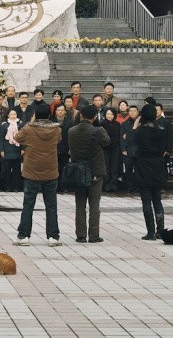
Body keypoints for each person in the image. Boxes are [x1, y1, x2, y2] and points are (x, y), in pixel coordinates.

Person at [12, 105, 62, 247]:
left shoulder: (29, 129)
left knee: (28, 204)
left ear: (35, 115)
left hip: (32, 172)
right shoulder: (56, 129)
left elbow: (17, 137)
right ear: (49, 115)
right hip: (51, 172)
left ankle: (23, 236)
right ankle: (53, 236)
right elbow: (59, 140)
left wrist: (30, 122)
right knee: (51, 205)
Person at [67, 105, 109, 243]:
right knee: (94, 205)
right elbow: (107, 142)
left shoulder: (71, 131)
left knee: (80, 205)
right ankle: (94, 235)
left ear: (80, 116)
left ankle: (80, 235)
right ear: (95, 117)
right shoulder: (97, 131)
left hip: (78, 172)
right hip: (95, 172)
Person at [134, 102, 168, 239]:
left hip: (143, 166)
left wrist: (135, 127)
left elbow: (130, 142)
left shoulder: (139, 132)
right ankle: (160, 230)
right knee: (157, 200)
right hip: (158, 165)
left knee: (146, 201)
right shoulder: (161, 131)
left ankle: (150, 231)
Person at [0, 109, 23, 192]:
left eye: (14, 114)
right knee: (7, 170)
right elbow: (1, 138)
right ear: (8, 116)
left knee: (16, 171)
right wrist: (1, 150)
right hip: (7, 149)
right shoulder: (4, 125)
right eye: (11, 114)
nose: (13, 116)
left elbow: (23, 138)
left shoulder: (20, 125)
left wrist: (23, 149)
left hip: (17, 149)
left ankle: (16, 187)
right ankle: (7, 187)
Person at [101, 107, 122, 191]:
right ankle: (106, 184)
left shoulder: (117, 124)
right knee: (106, 167)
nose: (109, 116)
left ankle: (114, 184)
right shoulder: (102, 124)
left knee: (114, 167)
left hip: (115, 148)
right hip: (105, 148)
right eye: (108, 114)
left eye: (111, 114)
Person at [121, 105, 139, 192]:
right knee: (128, 170)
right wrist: (123, 149)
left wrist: (127, 135)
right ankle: (129, 187)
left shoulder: (141, 123)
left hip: (139, 150)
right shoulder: (124, 124)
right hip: (128, 150)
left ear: (138, 112)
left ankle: (138, 186)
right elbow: (122, 138)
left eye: (134, 111)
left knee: (138, 169)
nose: (132, 113)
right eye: (131, 111)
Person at [54, 104, 72, 176]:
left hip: (65, 149)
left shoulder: (70, 123)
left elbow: (71, 137)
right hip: (54, 149)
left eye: (62, 110)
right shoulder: (51, 122)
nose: (60, 112)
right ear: (55, 111)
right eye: (58, 110)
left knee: (64, 169)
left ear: (65, 112)